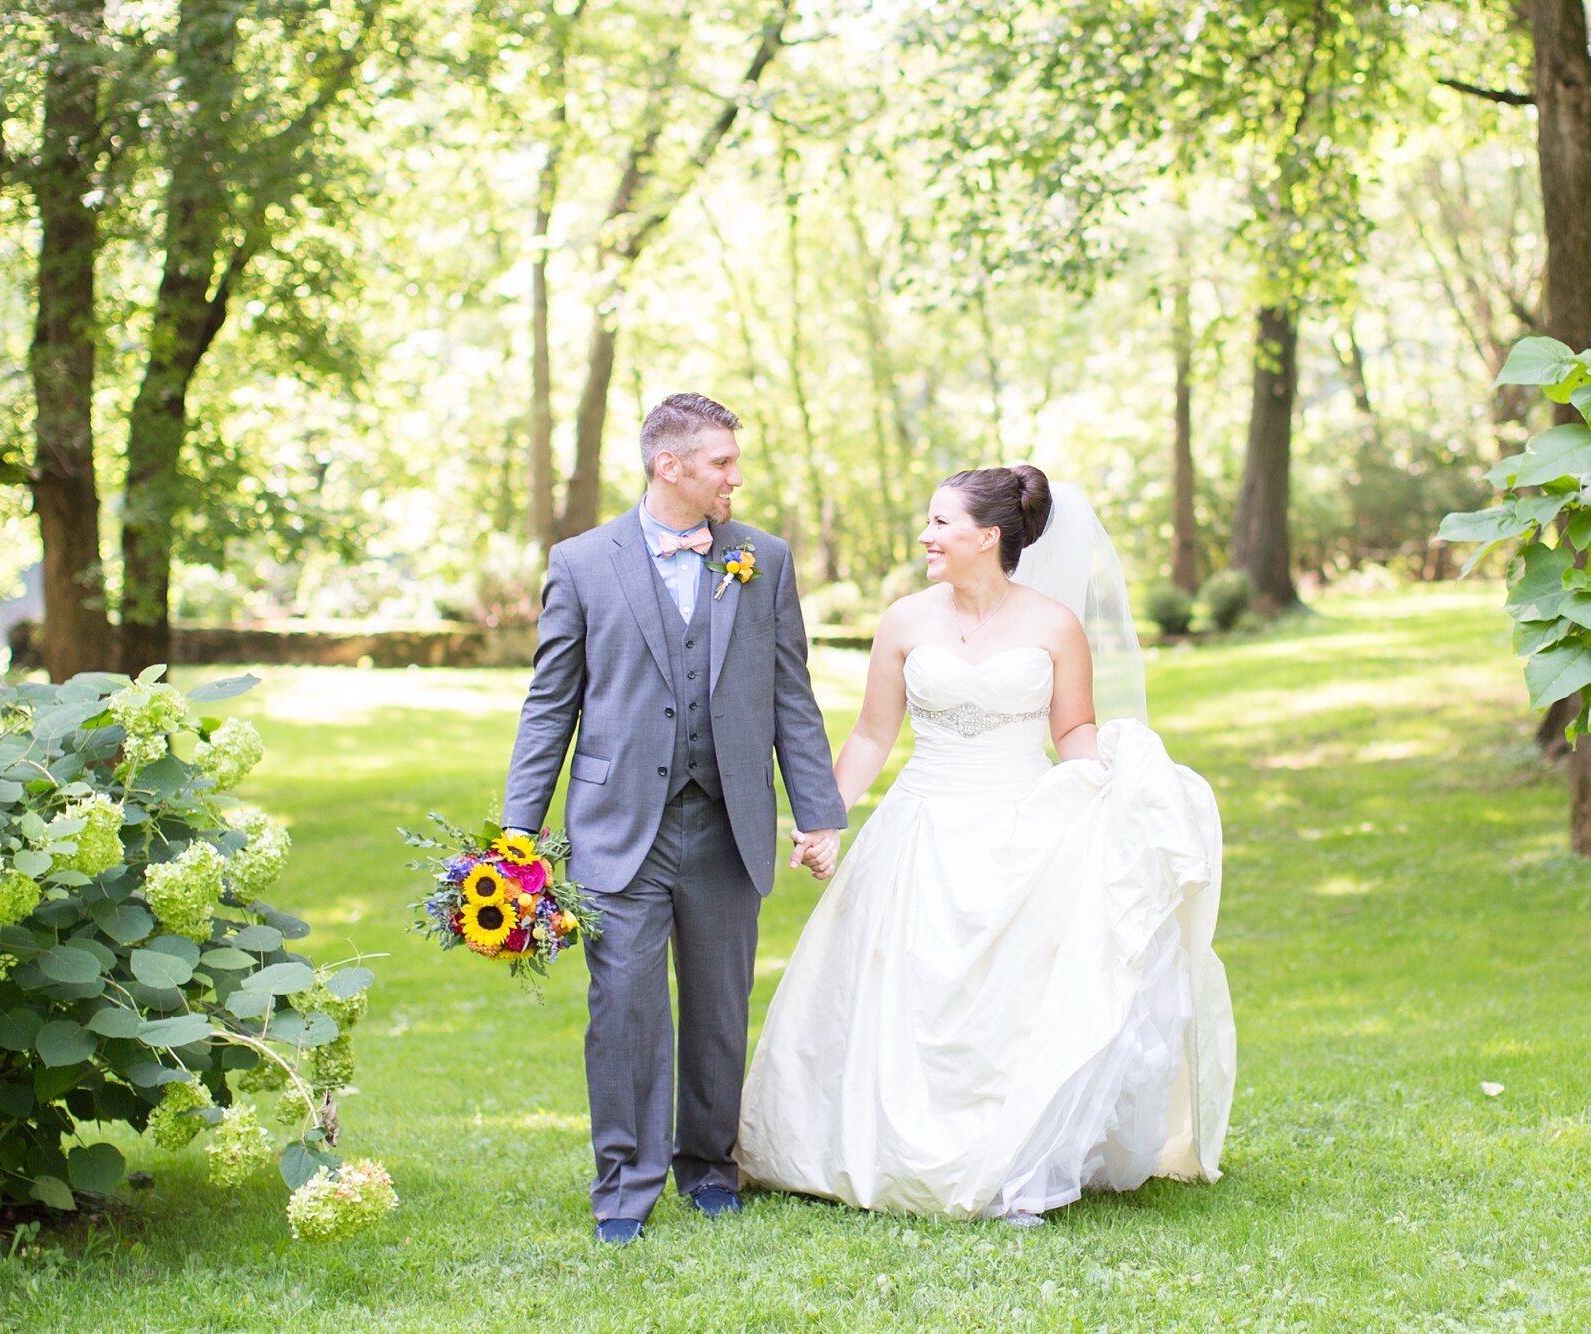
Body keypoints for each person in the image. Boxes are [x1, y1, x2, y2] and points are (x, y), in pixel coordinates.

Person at [736, 464, 1235, 1225]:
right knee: (900, 991)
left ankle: (1012, 1158)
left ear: (988, 536)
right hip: (920, 826)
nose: (925, 535)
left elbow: (1072, 730)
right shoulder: (905, 620)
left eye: (940, 522)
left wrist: (1112, 790)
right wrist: (823, 817)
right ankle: (870, 1148)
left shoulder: (1053, 624)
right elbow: (874, 733)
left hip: (1022, 825)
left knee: (1014, 998)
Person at [502, 392, 846, 1244]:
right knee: (623, 1007)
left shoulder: (762, 558)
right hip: (618, 824)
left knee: (721, 1006)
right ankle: (624, 1184)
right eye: (723, 462)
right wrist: (518, 832)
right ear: (672, 466)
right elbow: (550, 705)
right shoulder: (581, 563)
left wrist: (818, 813)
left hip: (728, 821)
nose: (737, 476)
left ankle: (707, 1166)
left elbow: (791, 696)